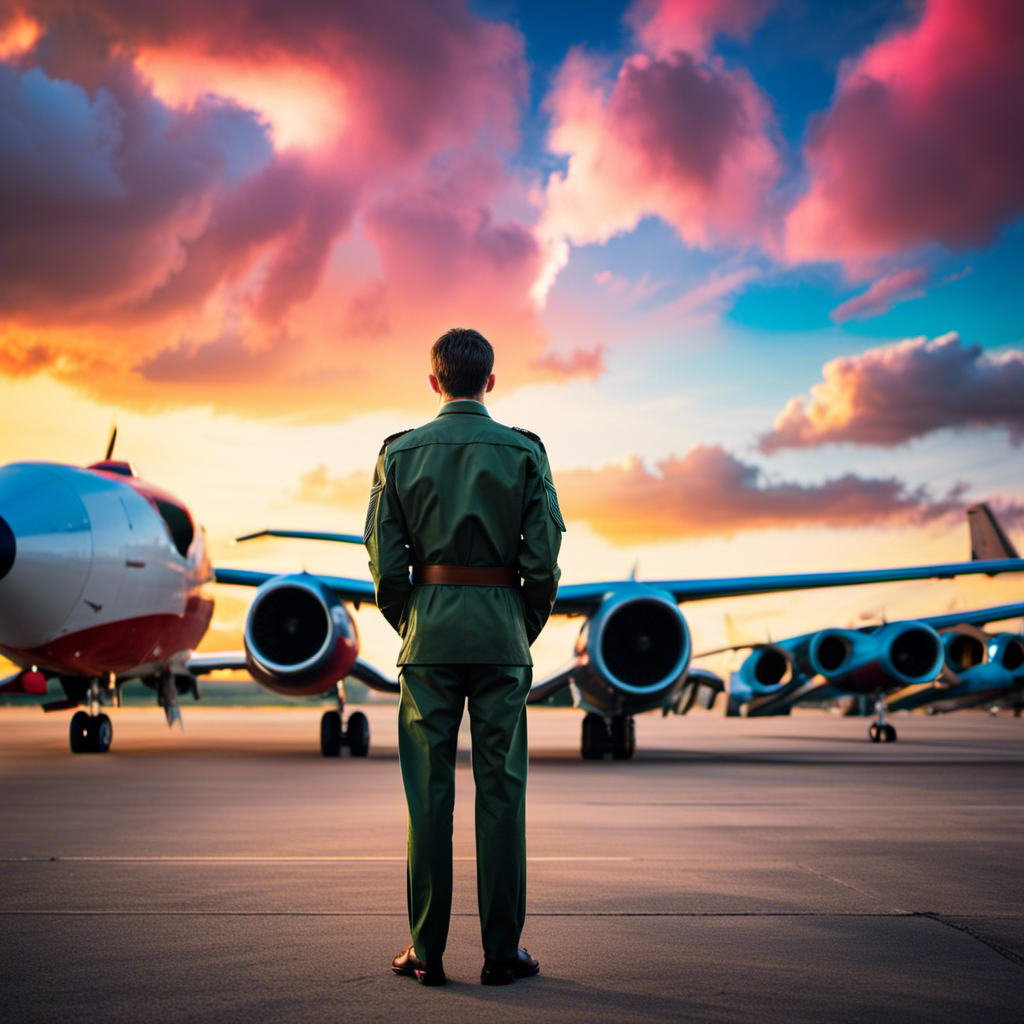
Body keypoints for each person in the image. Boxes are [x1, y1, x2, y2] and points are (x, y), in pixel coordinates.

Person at [365, 327, 563, 987]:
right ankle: (503, 955)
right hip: (503, 639)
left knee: (429, 798)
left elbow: (387, 568)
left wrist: (416, 622)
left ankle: (426, 952)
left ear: (433, 382)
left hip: (429, 643)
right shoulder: (526, 452)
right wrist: (515, 624)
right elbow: (542, 562)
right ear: (490, 381)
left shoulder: (399, 453)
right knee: (503, 796)